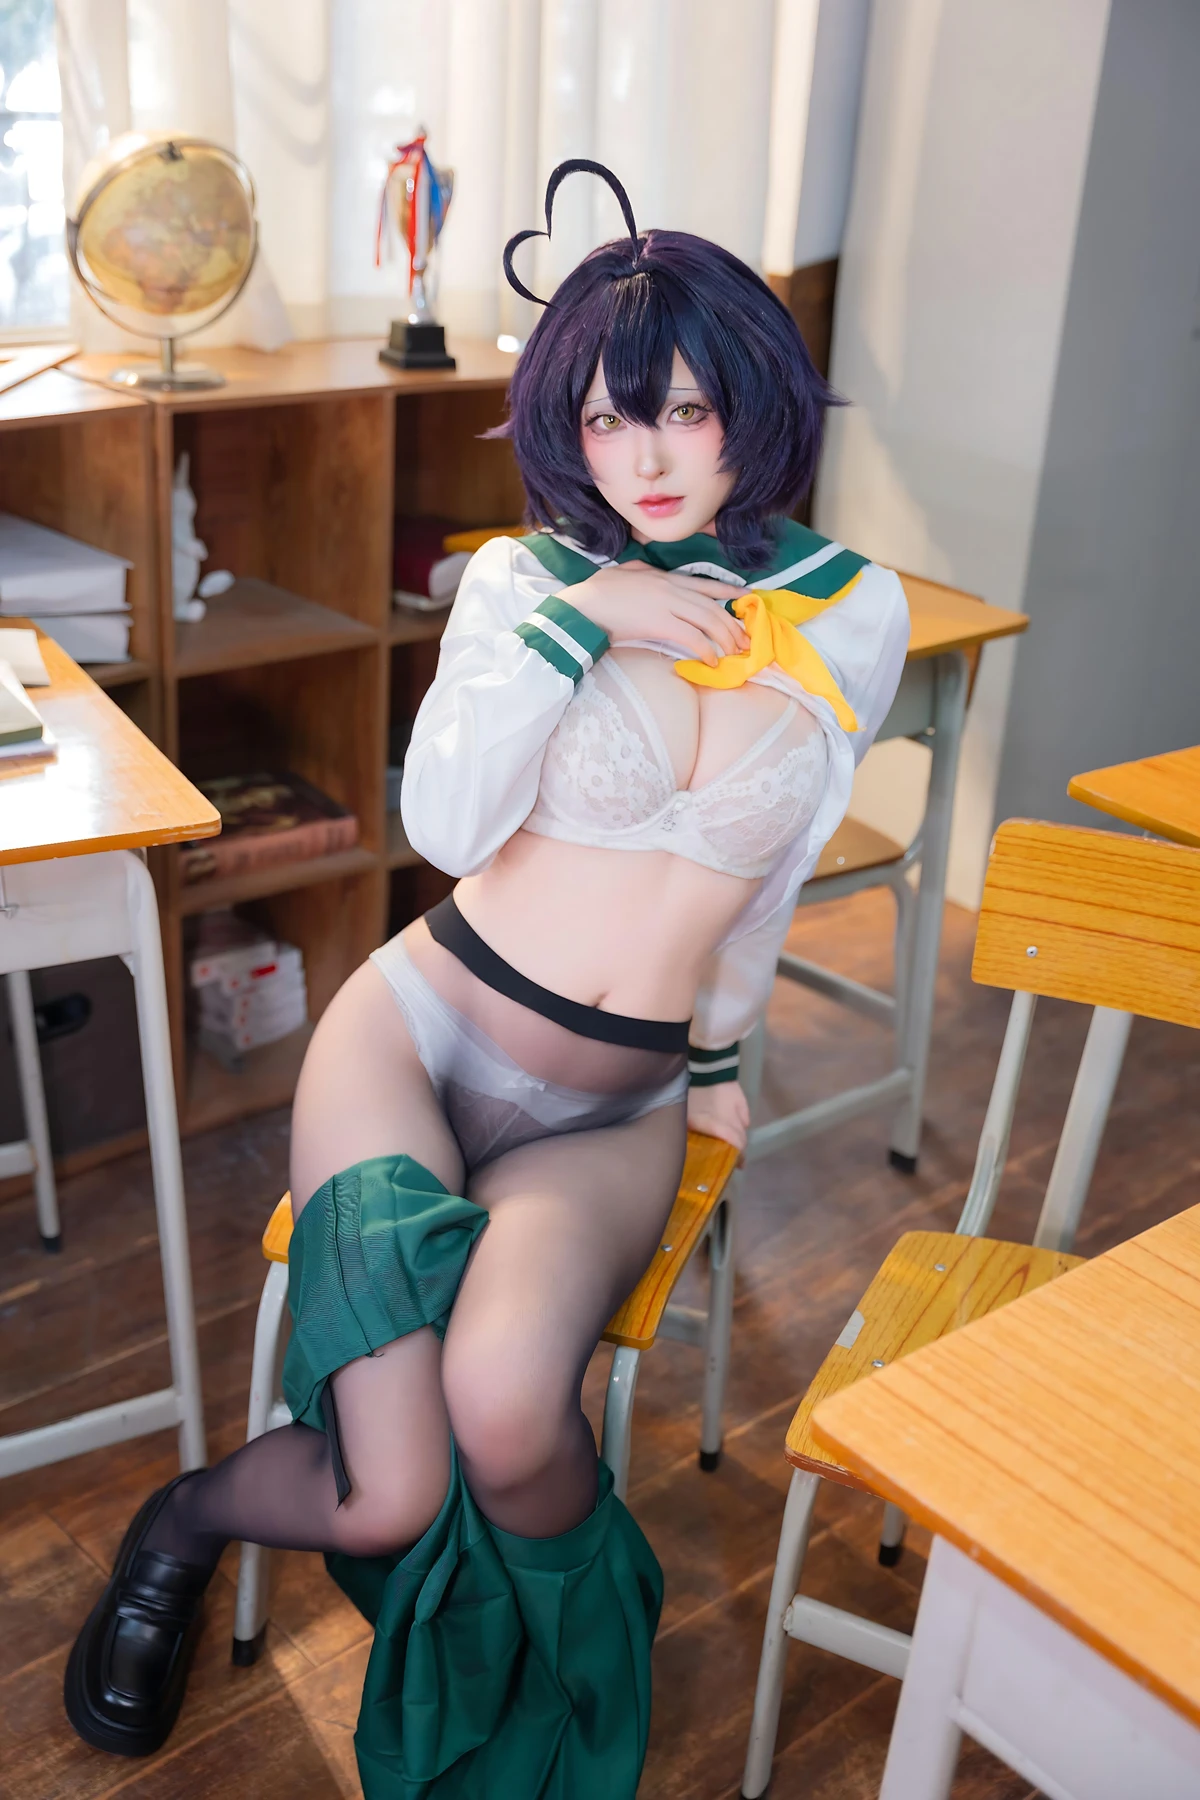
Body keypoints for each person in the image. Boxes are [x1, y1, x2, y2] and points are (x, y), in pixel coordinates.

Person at [64, 161, 909, 1796]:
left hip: (612, 1107)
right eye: (605, 421)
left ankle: (560, 1705)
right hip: (422, 1034)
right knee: (391, 1486)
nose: (644, 459)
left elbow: (772, 868)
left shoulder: (854, 613)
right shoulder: (530, 580)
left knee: (514, 1418)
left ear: (753, 404)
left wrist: (718, 1065)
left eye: (682, 411)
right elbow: (444, 830)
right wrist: (591, 618)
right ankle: (181, 1523)